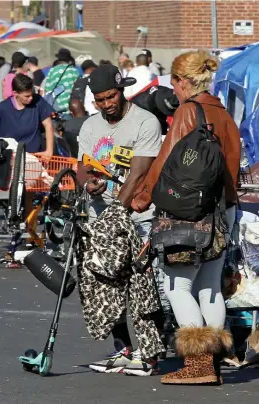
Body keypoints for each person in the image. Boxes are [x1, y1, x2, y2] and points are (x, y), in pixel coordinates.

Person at [132, 51, 241, 385]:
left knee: (176, 284)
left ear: (182, 81)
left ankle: (198, 364)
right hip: (224, 208)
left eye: (174, 83)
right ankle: (214, 362)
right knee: (209, 286)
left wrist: (141, 197)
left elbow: (165, 162)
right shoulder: (223, 114)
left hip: (190, 212)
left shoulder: (187, 112)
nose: (174, 90)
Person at [77, 64, 163, 376]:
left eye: (110, 97)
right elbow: (83, 168)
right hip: (102, 216)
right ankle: (123, 349)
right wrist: (89, 184)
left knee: (140, 288)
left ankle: (149, 354)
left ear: (121, 90)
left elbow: (139, 172)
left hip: (138, 218)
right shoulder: (89, 127)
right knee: (106, 287)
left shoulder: (145, 122)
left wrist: (116, 213)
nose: (106, 104)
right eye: (99, 100)